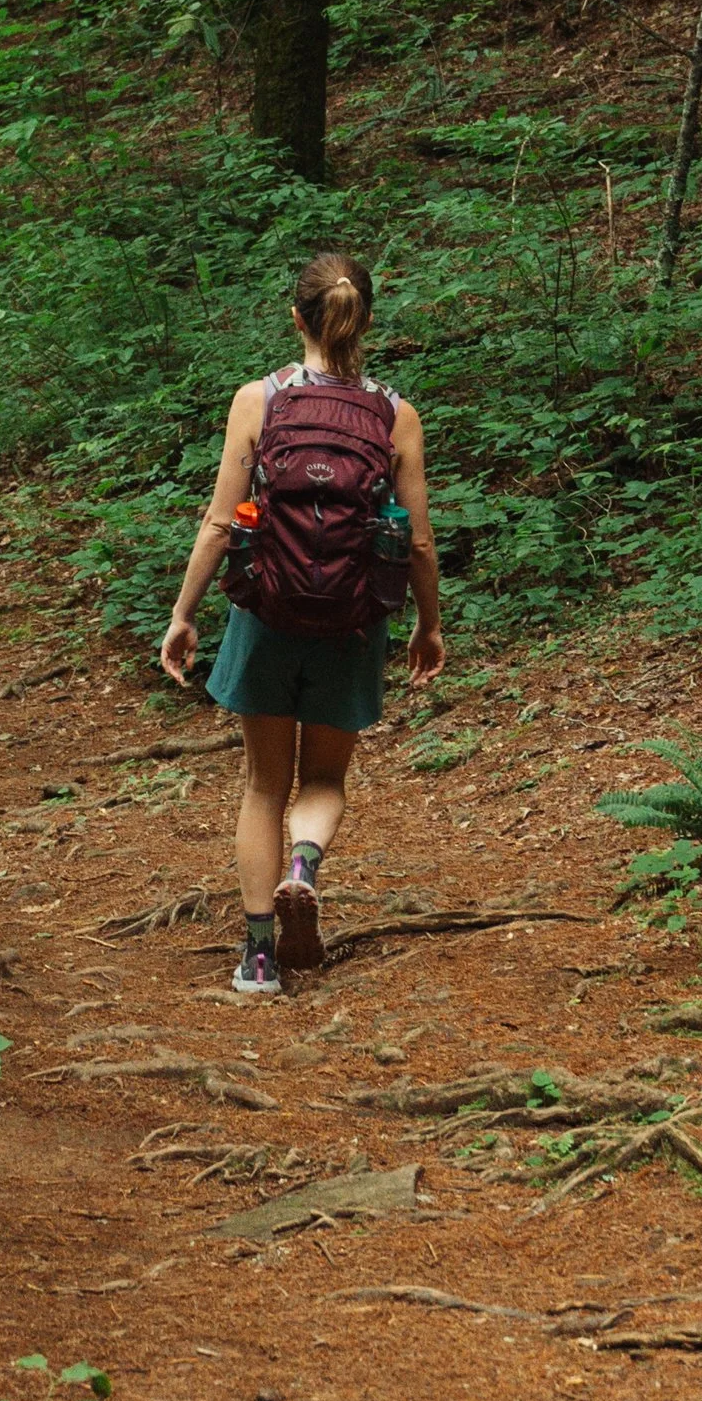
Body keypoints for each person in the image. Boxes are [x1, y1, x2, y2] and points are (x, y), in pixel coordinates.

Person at [158, 249, 444, 990]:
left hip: (267, 613)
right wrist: (427, 625)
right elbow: (415, 539)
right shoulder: (394, 414)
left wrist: (184, 614)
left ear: (297, 318)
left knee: (262, 784)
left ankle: (256, 958)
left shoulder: (261, 399)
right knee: (323, 777)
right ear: (367, 320)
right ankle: (304, 865)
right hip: (351, 621)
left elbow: (222, 523)